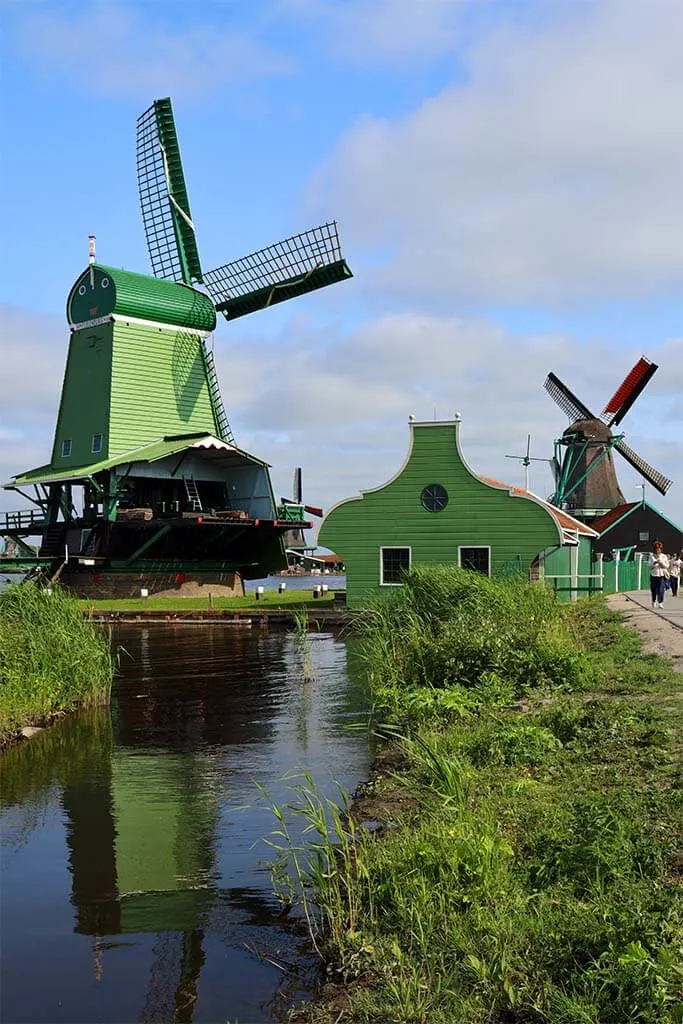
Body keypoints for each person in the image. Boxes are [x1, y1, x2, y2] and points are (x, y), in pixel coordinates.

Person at [647, 540, 670, 609]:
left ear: (661, 549)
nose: (658, 550)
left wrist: (661, 563)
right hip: (654, 575)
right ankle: (654, 601)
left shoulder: (664, 556)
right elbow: (649, 566)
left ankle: (660, 602)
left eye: (659, 549)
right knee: (654, 589)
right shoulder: (651, 556)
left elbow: (667, 566)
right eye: (656, 549)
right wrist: (654, 564)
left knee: (661, 589)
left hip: (661, 575)